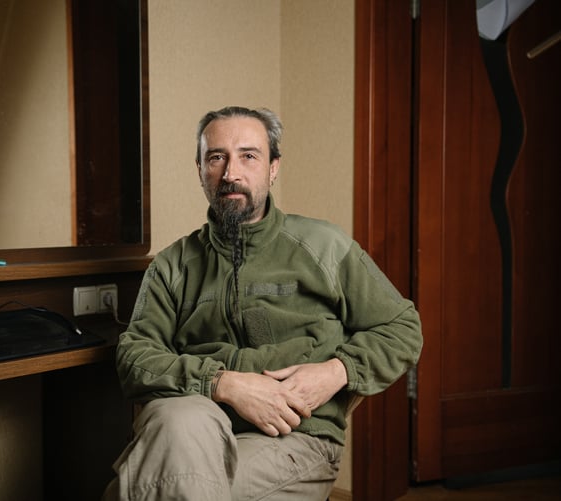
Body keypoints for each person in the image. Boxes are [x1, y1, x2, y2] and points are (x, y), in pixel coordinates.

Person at [102, 106, 422, 501]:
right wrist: (223, 384)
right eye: (216, 157)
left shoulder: (324, 246)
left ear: (273, 168)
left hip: (294, 438)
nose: (231, 173)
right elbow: (134, 357)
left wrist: (337, 371)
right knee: (174, 421)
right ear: (200, 170)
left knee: (136, 490)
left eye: (248, 156)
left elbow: (403, 327)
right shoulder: (172, 265)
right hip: (195, 422)